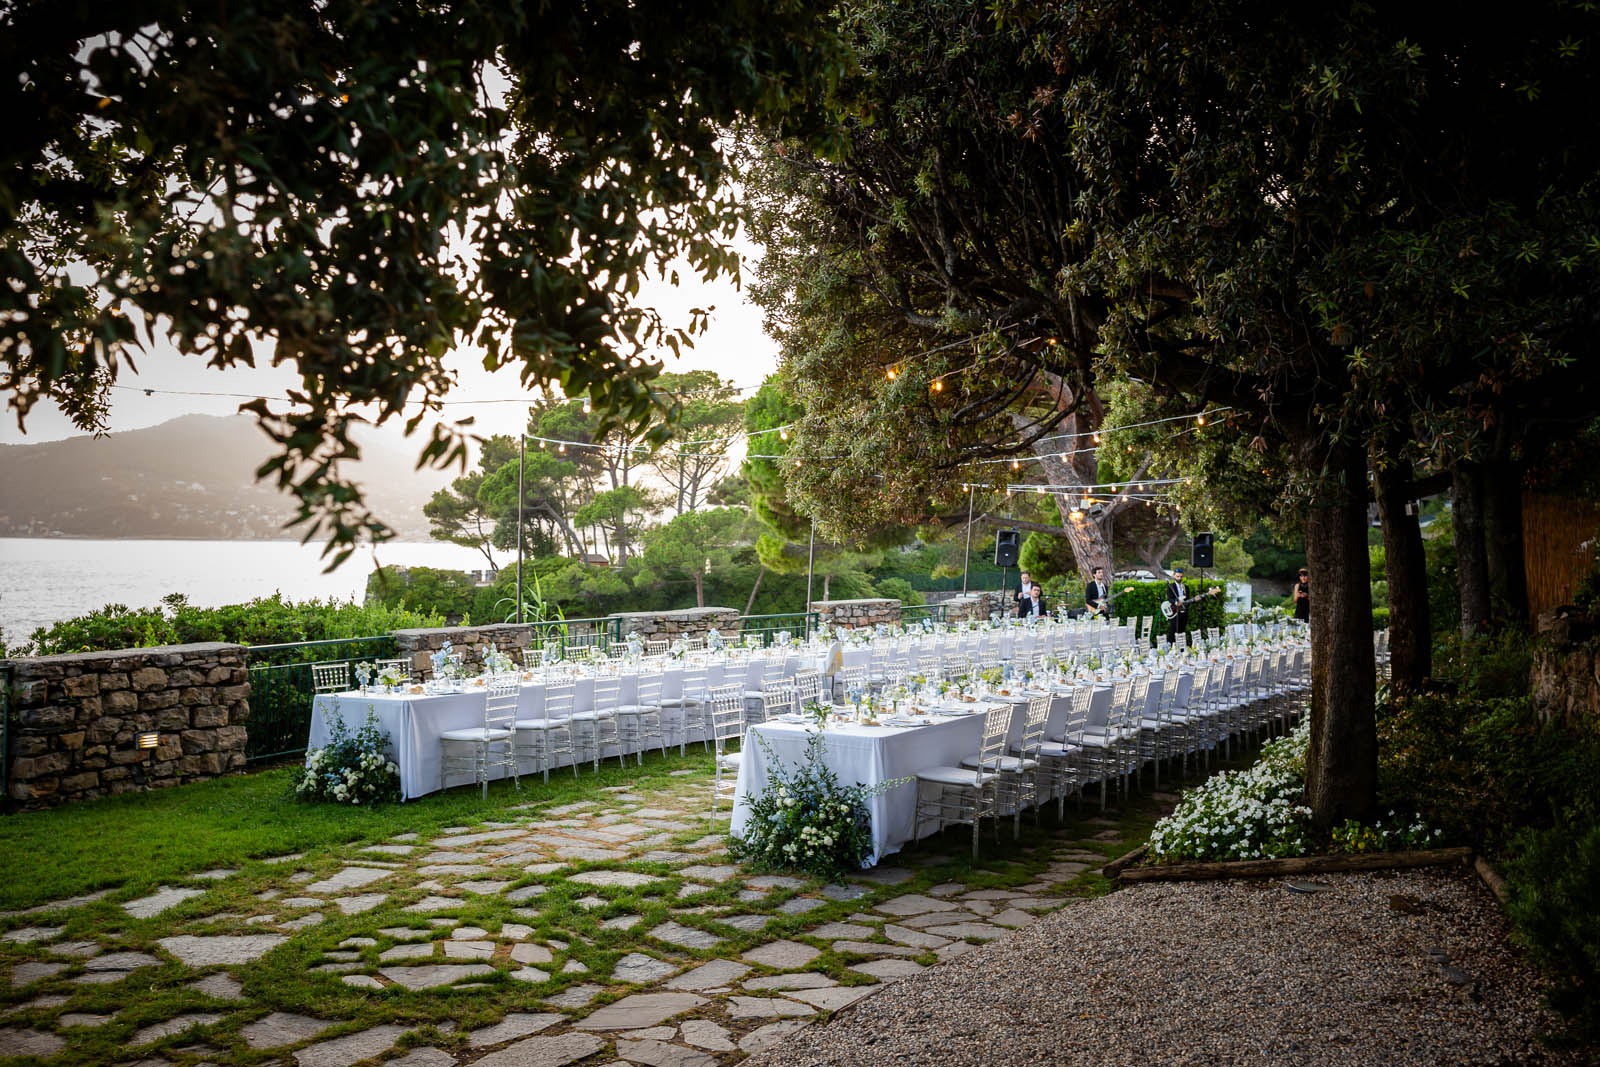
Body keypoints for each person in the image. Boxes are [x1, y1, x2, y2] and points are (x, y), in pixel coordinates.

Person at [1164, 566, 1188, 644]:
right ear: (1174, 576)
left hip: (1183, 611)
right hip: (1174, 611)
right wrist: (1176, 602)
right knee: (1173, 629)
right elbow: (1169, 598)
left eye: (1181, 576)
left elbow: (1187, 599)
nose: (1179, 578)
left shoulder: (1185, 587)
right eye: (1177, 576)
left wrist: (1194, 600)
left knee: (1182, 630)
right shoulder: (1171, 586)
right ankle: (1169, 645)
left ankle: (1181, 646)